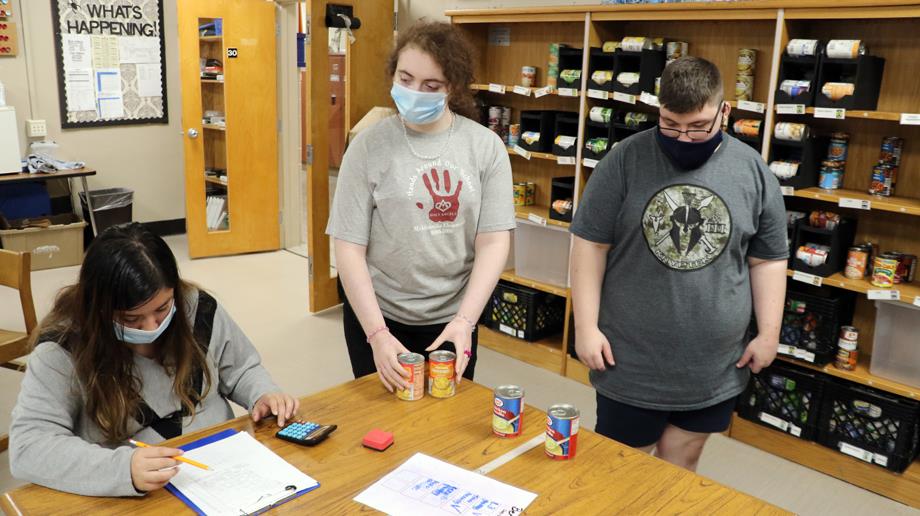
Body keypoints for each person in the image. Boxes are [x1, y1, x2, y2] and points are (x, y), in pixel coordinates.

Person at [570, 57, 788, 471]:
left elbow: (767, 260)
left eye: (698, 125)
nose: (684, 138)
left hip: (714, 364)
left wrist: (769, 333)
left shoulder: (754, 172)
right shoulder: (623, 160)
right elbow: (589, 246)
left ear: (725, 111)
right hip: (629, 361)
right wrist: (585, 327)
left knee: (680, 467)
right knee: (621, 471)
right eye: (670, 124)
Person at [9, 223, 300, 496]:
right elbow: (29, 447)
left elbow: (241, 368)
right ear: (98, 309)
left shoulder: (195, 308)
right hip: (138, 493)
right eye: (131, 319)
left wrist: (263, 393)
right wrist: (124, 470)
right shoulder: (62, 349)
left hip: (224, 470)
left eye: (162, 309)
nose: (151, 328)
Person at [326, 21, 514, 392]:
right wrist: (377, 334)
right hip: (379, 314)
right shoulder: (367, 147)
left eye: (431, 86)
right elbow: (348, 247)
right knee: (382, 422)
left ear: (453, 88)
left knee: (443, 423)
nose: (414, 92)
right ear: (393, 74)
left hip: (454, 318)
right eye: (406, 78)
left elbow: (493, 242)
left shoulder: (485, 147)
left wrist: (464, 322)